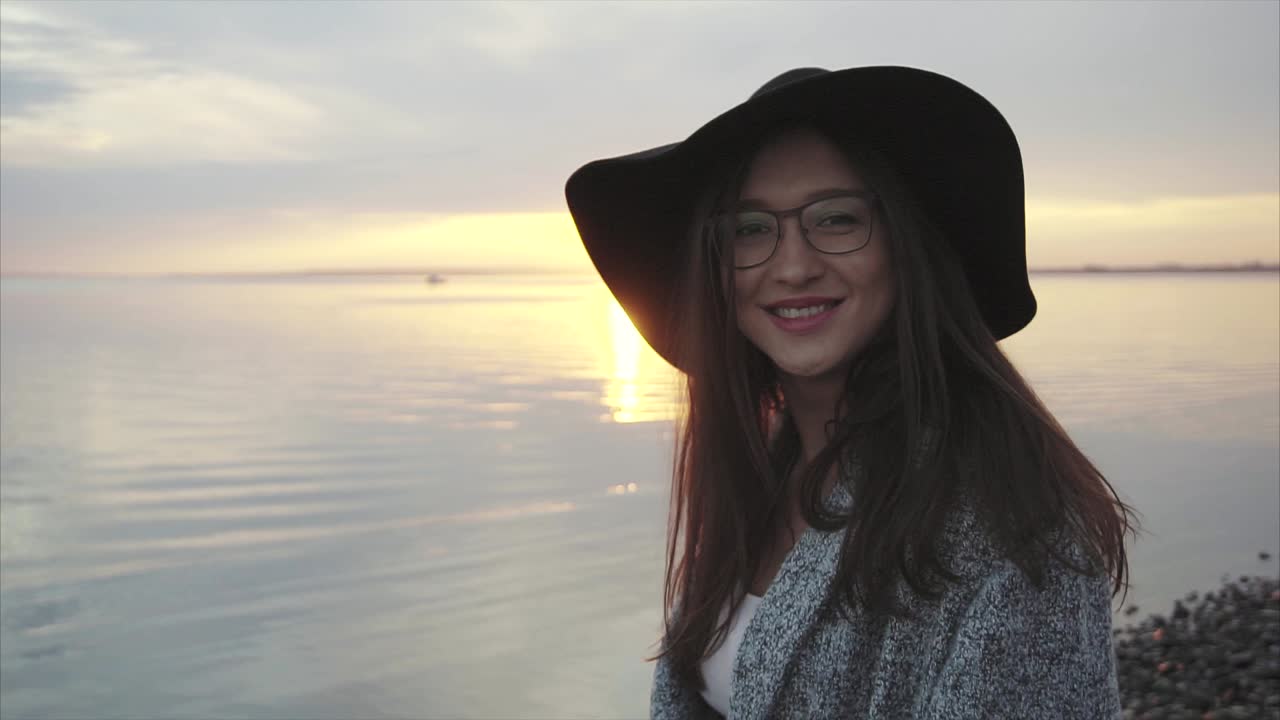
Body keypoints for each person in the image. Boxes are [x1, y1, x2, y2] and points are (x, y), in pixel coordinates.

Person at [565, 66, 1140, 719]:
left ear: (905, 242)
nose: (793, 266)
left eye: (836, 219)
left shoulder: (1011, 529)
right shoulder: (758, 478)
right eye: (749, 229)